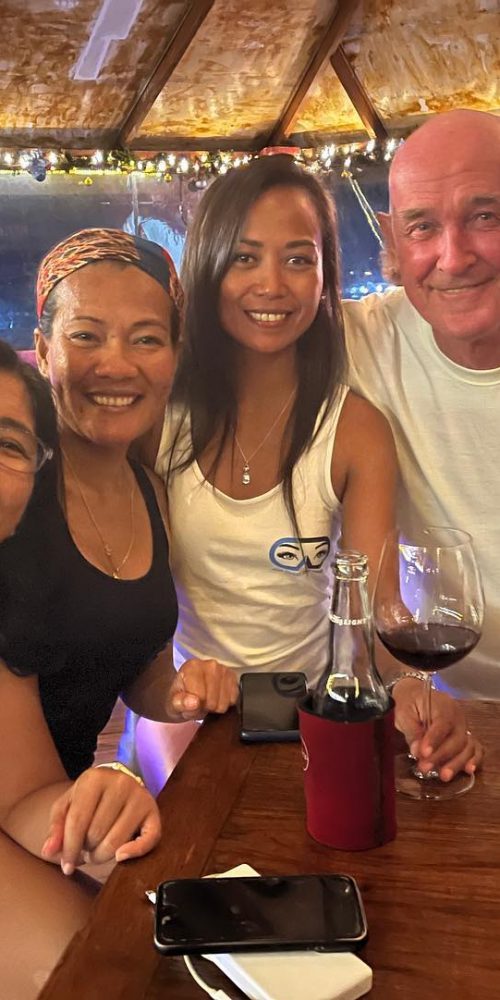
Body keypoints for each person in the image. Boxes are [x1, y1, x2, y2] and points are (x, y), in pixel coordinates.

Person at [137, 153, 479, 794]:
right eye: (245, 257)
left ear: (325, 277)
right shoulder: (159, 420)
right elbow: (137, 608)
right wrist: (173, 690)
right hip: (188, 712)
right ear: (208, 266)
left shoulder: (355, 430)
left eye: (298, 259)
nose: (272, 284)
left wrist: (413, 687)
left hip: (316, 712)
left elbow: (378, 609)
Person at [0, 231, 237, 998]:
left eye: (145, 338)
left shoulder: (149, 489)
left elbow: (137, 668)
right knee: (107, 972)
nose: (117, 364)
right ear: (43, 349)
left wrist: (180, 692)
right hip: (23, 804)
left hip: (51, 800)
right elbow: (18, 793)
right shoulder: (16, 496)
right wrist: (100, 796)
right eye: (86, 336)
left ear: (174, 357)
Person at [344, 108, 500, 700]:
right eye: (422, 227)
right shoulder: (362, 341)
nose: (452, 257)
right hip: (433, 703)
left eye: (485, 216)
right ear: (391, 239)